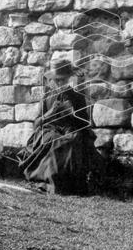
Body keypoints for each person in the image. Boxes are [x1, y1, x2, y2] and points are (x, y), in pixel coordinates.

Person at [19, 59, 100, 193]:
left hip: (70, 130)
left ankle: (66, 185)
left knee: (71, 140)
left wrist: (73, 113)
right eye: (56, 80)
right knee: (53, 140)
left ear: (69, 78)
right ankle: (49, 181)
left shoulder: (76, 97)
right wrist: (50, 113)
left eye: (62, 80)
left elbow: (85, 123)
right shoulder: (47, 96)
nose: (58, 83)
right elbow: (36, 124)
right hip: (48, 130)